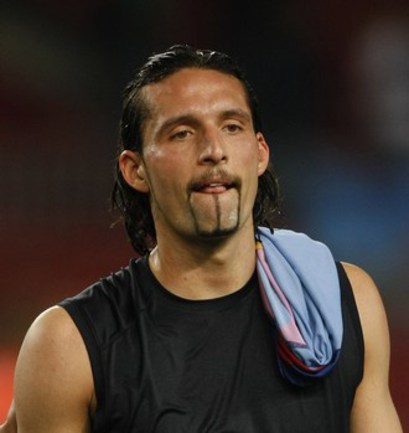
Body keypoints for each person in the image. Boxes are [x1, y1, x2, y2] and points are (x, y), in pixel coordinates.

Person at [0, 45, 402, 433]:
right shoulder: (68, 345)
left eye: (232, 127)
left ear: (260, 153)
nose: (214, 150)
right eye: (181, 133)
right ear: (135, 169)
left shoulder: (346, 302)